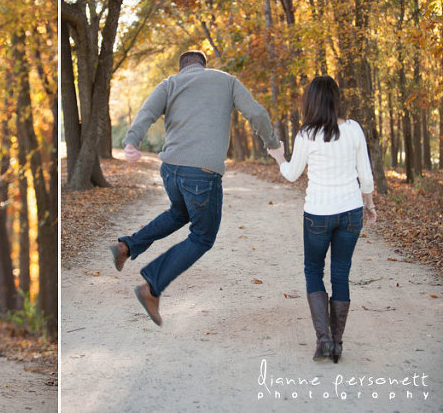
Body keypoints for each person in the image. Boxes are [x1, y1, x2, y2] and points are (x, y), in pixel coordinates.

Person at [111, 50, 281, 325]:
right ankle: (151, 287)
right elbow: (256, 113)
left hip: (170, 170)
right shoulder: (226, 80)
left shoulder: (170, 83)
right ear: (203, 66)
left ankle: (126, 246)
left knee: (179, 213)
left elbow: (147, 112)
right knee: (202, 237)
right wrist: (272, 143)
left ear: (181, 69)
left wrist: (132, 141)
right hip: (202, 174)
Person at [267, 75, 375, 363]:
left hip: (318, 213)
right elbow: (365, 176)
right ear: (336, 99)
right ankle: (337, 343)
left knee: (313, 271)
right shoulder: (353, 129)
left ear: (311, 102)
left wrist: (279, 156)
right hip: (351, 212)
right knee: (340, 273)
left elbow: (292, 174)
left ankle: (323, 339)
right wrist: (369, 204)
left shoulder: (307, 134)